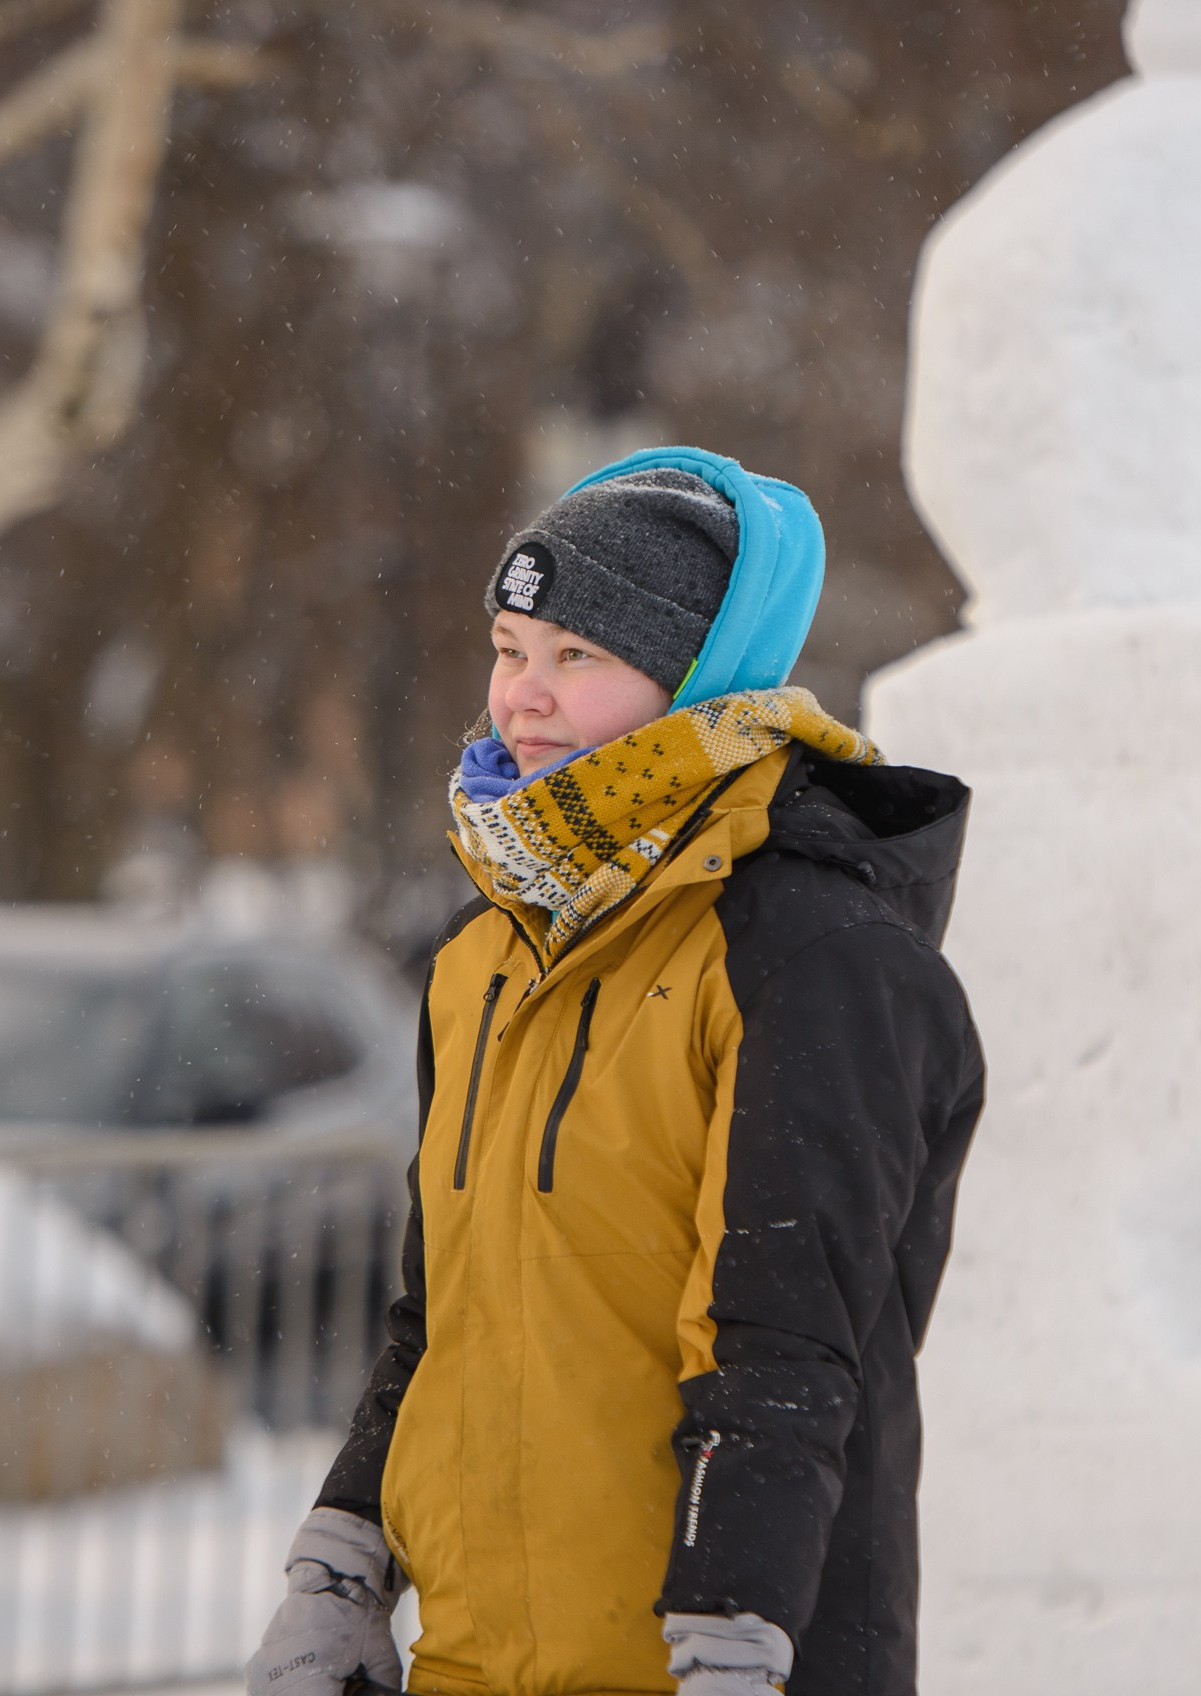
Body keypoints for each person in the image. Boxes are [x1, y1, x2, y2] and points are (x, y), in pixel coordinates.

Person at [248, 449, 985, 1696]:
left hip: (705, 1660)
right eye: (509, 647)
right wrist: (343, 1556)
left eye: (576, 656)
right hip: (475, 1661)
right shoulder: (484, 954)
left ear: (693, 673)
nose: (521, 698)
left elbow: (784, 1347)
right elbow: (440, 1314)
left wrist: (732, 1636)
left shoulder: (807, 954)